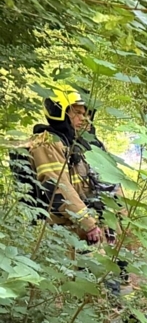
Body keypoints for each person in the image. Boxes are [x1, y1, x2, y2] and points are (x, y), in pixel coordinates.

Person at [24, 89, 113, 244]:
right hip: (65, 233)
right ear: (60, 113)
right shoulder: (48, 142)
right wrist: (88, 223)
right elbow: (58, 186)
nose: (84, 119)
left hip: (93, 228)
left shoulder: (85, 145)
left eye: (86, 114)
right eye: (77, 113)